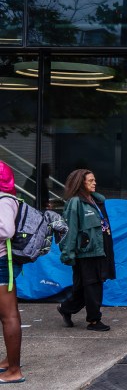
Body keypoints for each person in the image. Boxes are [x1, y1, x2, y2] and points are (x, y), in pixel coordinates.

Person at [58, 169, 116, 332]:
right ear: (80, 183)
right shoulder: (75, 203)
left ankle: (66, 308)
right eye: (90, 180)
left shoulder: (97, 201)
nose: (94, 183)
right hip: (86, 252)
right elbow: (70, 230)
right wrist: (68, 253)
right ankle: (94, 320)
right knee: (92, 286)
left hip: (100, 250)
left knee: (85, 287)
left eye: (94, 180)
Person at [0, 162, 24, 383]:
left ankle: (14, 371)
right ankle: (10, 362)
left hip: (1, 264)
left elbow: (6, 230)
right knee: (8, 314)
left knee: (9, 316)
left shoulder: (4, 200)